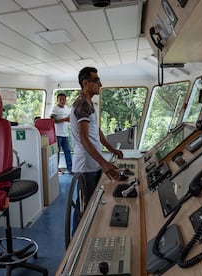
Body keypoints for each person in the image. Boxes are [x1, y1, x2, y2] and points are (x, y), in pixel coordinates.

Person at [70, 67, 123, 231]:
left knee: (91, 203)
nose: (100, 84)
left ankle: (89, 232)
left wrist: (111, 149)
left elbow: (96, 132)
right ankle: (75, 244)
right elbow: (84, 138)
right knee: (83, 208)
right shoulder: (81, 105)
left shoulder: (88, 104)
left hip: (94, 163)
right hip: (86, 165)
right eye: (96, 80)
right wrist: (105, 164)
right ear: (85, 83)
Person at [50, 93, 73, 174]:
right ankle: (56, 169)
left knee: (68, 151)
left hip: (65, 134)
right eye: (60, 99)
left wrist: (68, 119)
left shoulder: (67, 108)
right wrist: (64, 119)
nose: (62, 101)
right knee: (57, 152)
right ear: (57, 100)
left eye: (64, 99)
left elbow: (69, 118)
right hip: (57, 134)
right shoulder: (54, 108)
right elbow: (53, 120)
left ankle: (70, 169)